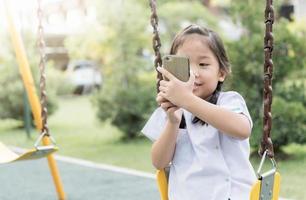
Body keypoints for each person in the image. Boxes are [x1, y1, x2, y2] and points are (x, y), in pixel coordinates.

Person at [142, 24, 256, 200]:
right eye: (185, 64)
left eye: (203, 64)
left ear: (221, 73)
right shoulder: (169, 109)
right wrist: (172, 121)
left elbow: (242, 129)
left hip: (233, 195)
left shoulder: (228, 101)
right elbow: (159, 162)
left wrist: (186, 100)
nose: (193, 73)